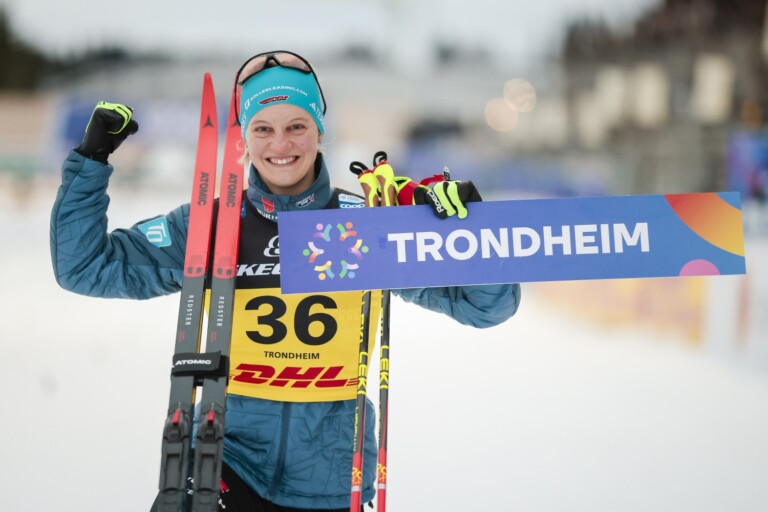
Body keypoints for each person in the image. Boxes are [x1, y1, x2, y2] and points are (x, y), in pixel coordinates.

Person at [50, 50, 521, 511]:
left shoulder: (363, 224)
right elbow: (85, 267)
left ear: (319, 131)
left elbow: (486, 305)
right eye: (263, 129)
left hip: (331, 483)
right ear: (244, 139)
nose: (281, 144)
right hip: (223, 463)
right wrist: (91, 160)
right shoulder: (209, 225)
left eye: (297, 126)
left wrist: (469, 230)